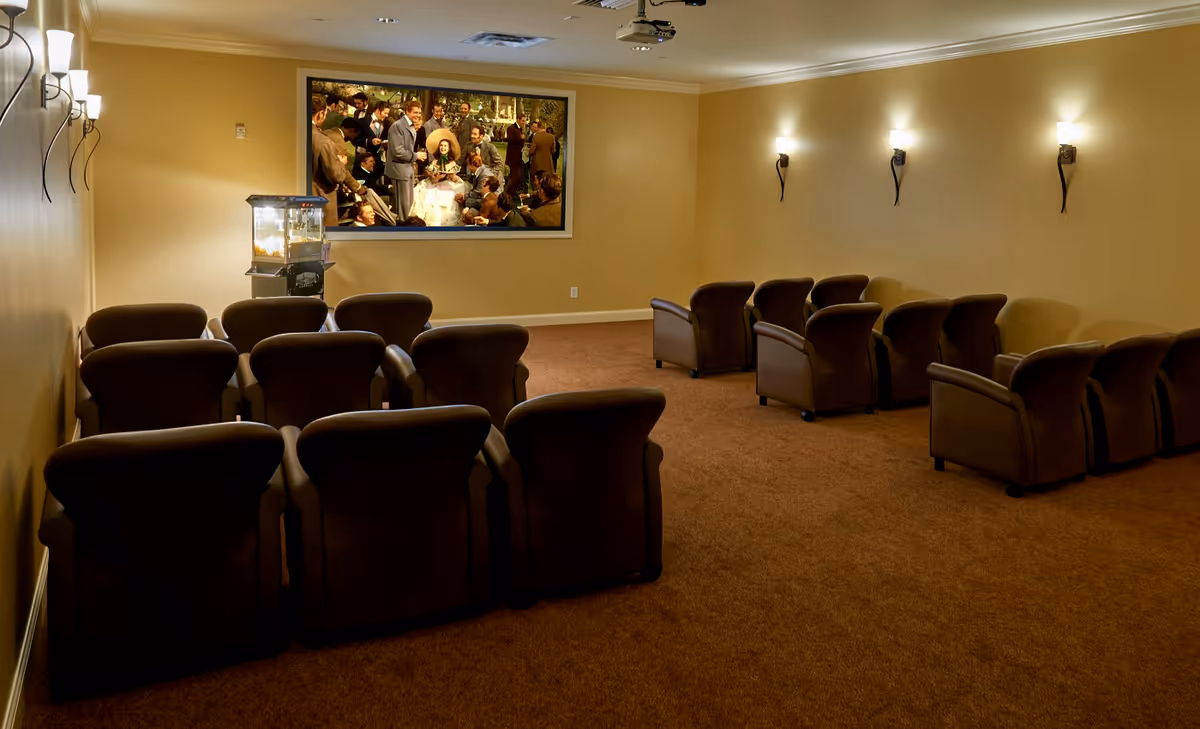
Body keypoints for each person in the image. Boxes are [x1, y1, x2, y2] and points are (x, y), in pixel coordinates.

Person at [311, 97, 367, 225]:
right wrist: (341, 164)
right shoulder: (328, 141)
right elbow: (336, 175)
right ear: (320, 114)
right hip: (320, 196)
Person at [385, 99, 427, 218]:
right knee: (403, 206)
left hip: (407, 170)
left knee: (408, 205)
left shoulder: (411, 126)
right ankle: (402, 226)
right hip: (399, 171)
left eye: (419, 113)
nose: (418, 115)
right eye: (415, 112)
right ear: (407, 112)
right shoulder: (397, 126)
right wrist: (416, 156)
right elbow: (397, 152)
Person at [505, 112, 527, 195]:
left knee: (517, 175)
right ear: (518, 120)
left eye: (525, 121)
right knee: (515, 175)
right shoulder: (511, 128)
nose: (524, 122)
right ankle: (509, 192)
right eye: (523, 121)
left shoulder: (520, 129)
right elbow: (510, 139)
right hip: (513, 157)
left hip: (519, 157)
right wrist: (520, 138)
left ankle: (512, 192)